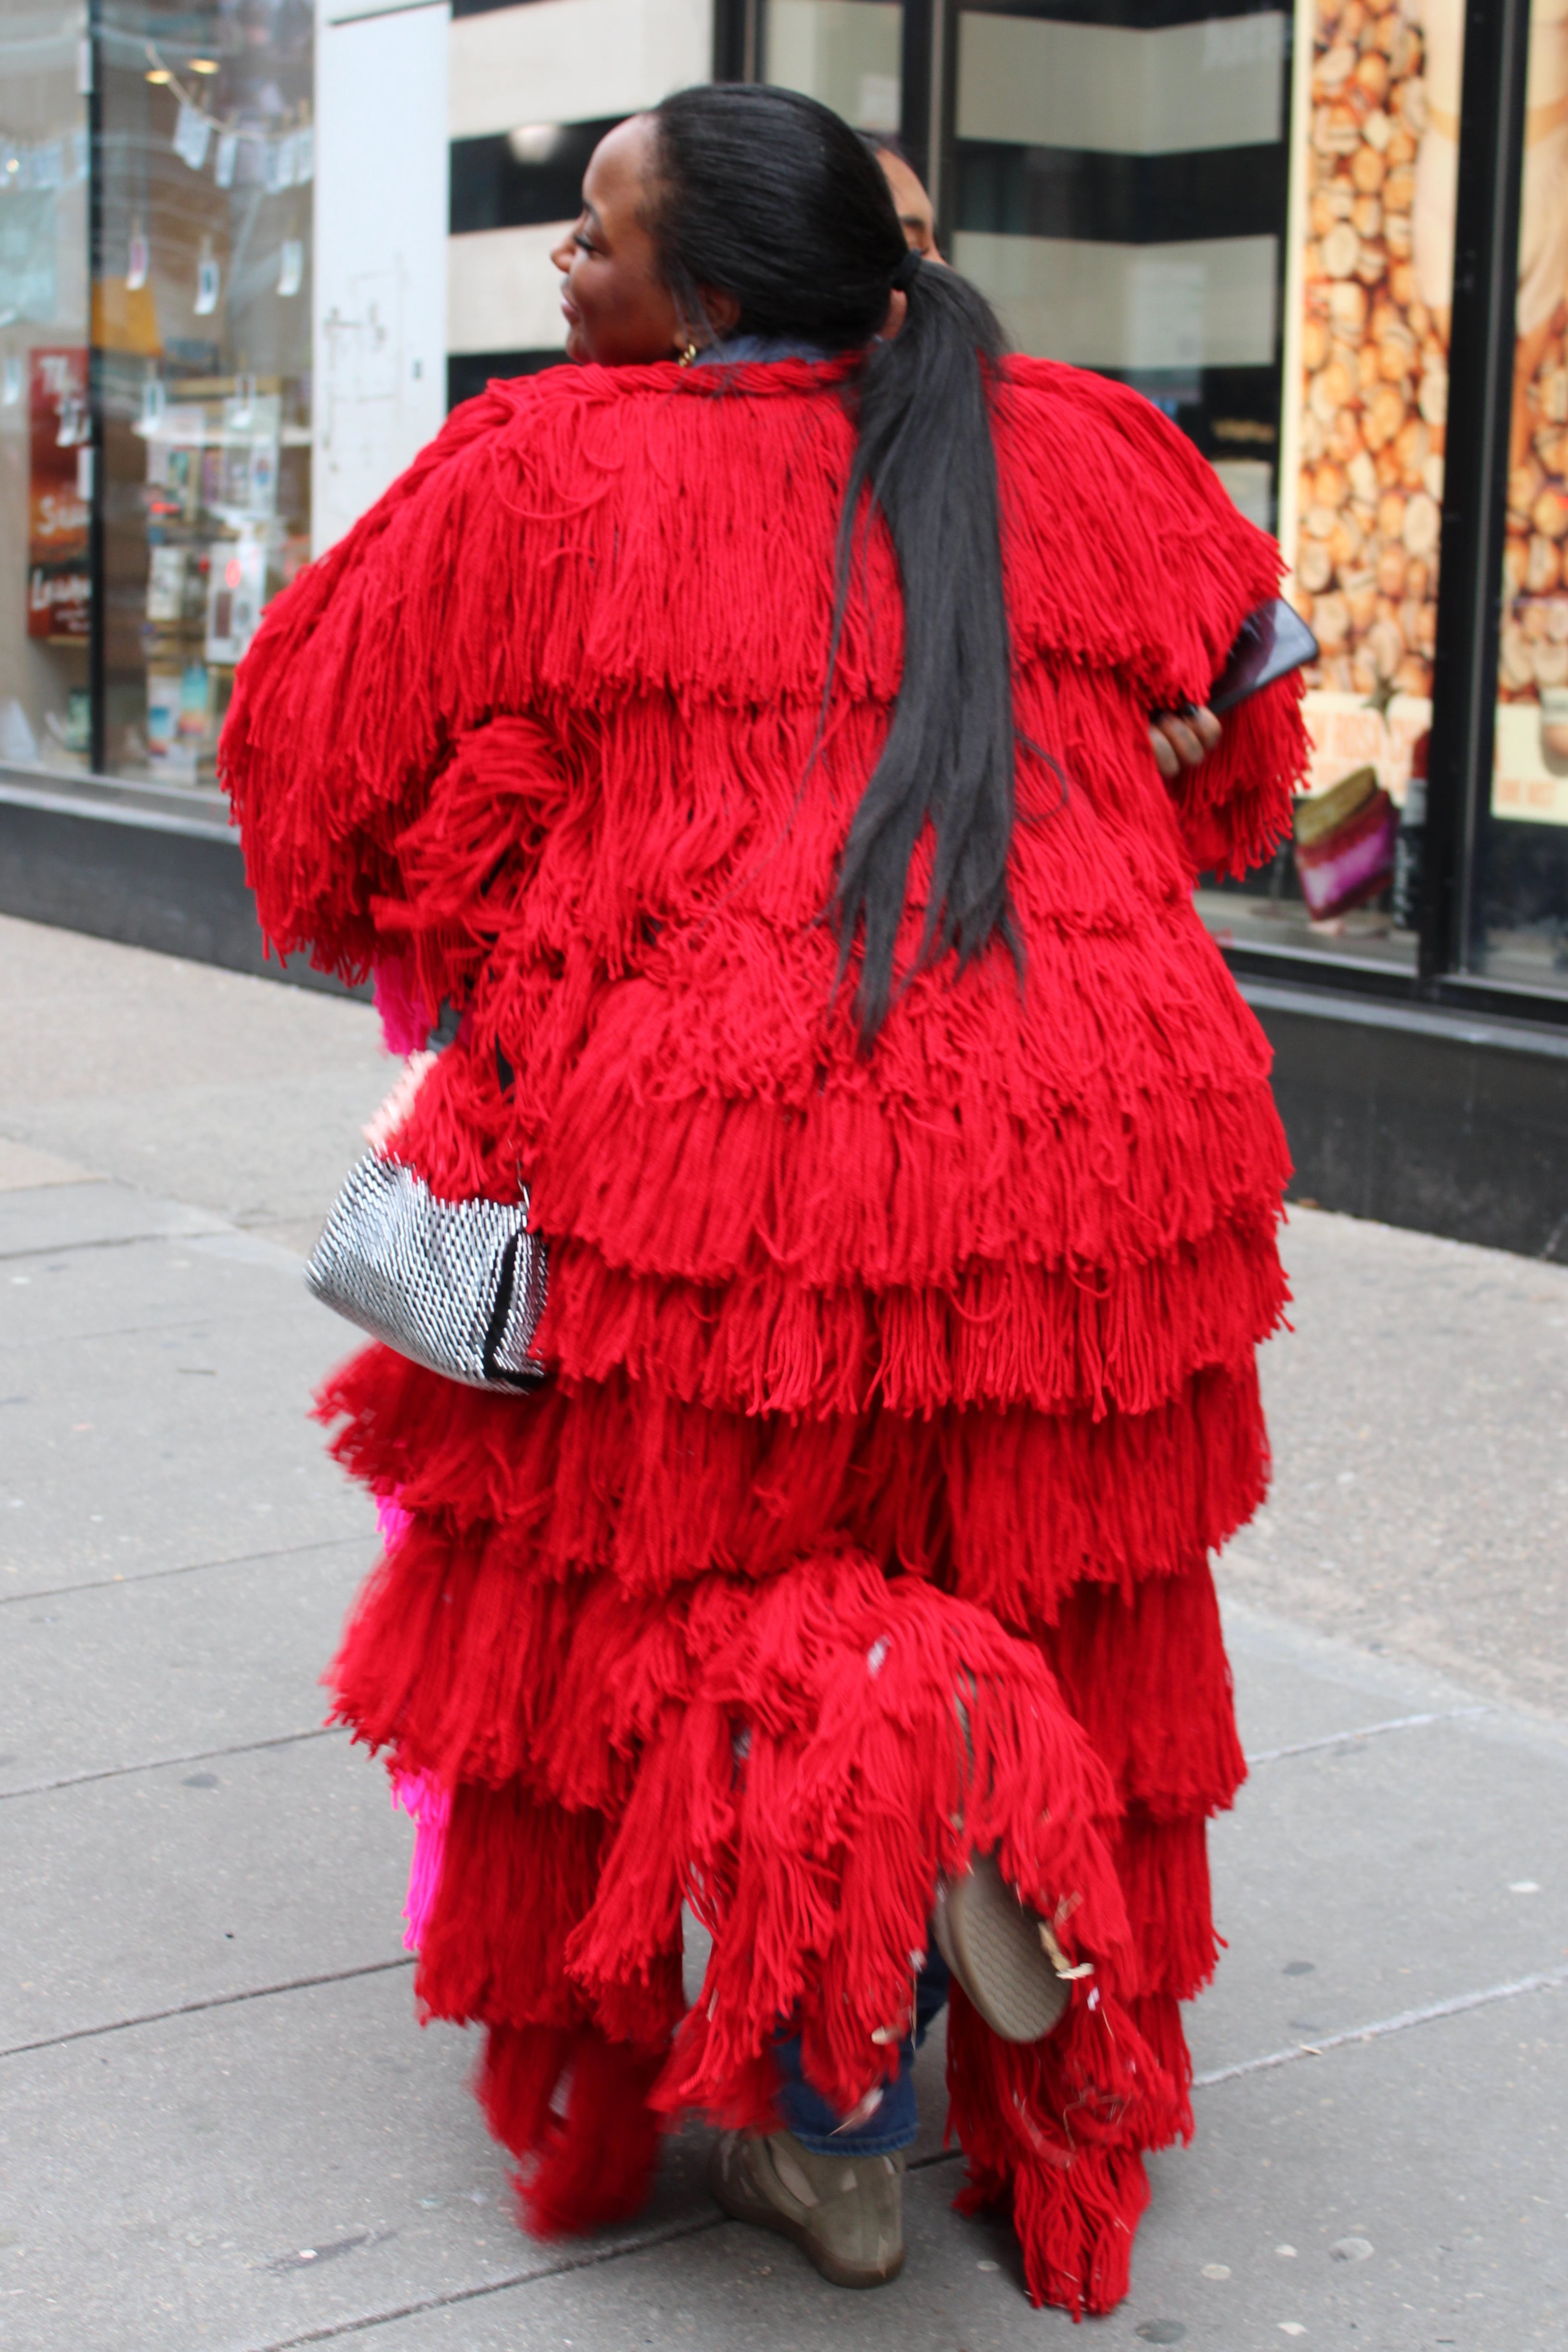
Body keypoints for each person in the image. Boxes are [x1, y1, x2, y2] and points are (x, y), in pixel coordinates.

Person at [222, 85, 1304, 2319]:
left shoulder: (553, 462)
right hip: (1093, 1160)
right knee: (1037, 1577)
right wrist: (1134, 783)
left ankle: (828, 2083)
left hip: (724, 1166)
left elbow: (308, 772)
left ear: (705, 288)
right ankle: (973, 1888)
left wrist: (517, 875)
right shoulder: (1091, 442)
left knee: (658, 1605)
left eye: (593, 230)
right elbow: (1258, 751)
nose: (562, 264)